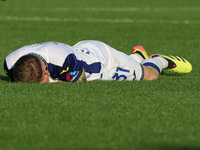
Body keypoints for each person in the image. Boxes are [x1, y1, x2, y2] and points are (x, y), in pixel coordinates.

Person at [4, 40, 192, 83]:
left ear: (45, 69)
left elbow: (80, 81)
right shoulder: (10, 61)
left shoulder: (63, 60)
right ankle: (137, 56)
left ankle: (160, 60)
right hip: (82, 50)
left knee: (149, 76)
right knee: (135, 62)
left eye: (43, 80)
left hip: (104, 62)